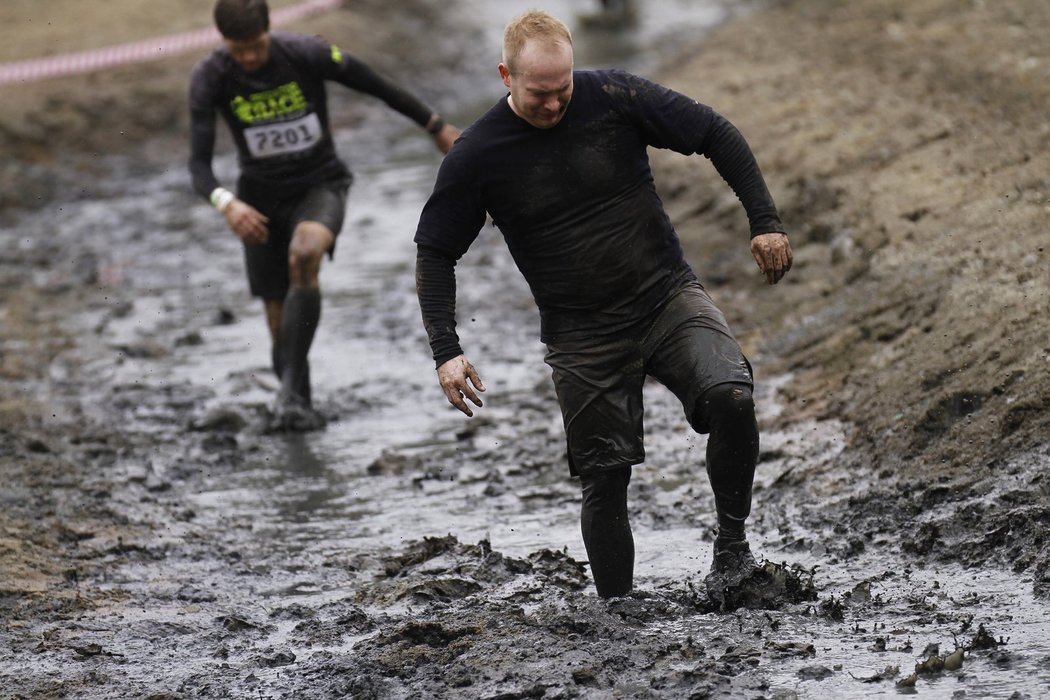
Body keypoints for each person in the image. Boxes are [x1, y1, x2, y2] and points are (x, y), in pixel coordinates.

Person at [413, 10, 792, 599]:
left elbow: (714, 131)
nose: (554, 104)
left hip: (665, 296)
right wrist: (447, 350)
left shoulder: (613, 94)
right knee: (605, 476)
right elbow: (436, 252)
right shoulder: (478, 155)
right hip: (581, 336)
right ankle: (617, 611)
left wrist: (764, 221)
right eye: (539, 93)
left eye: (563, 88)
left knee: (732, 396)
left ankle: (732, 551)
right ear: (505, 76)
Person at [189, 0, 459, 430]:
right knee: (280, 323)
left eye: (256, 46)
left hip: (320, 185)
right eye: (239, 50)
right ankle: (297, 406)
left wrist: (436, 127)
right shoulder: (210, 76)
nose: (250, 58)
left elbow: (376, 85)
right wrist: (227, 203)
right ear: (223, 42)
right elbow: (198, 166)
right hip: (256, 202)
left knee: (305, 253)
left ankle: (288, 399)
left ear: (269, 29)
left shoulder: (306, 53)